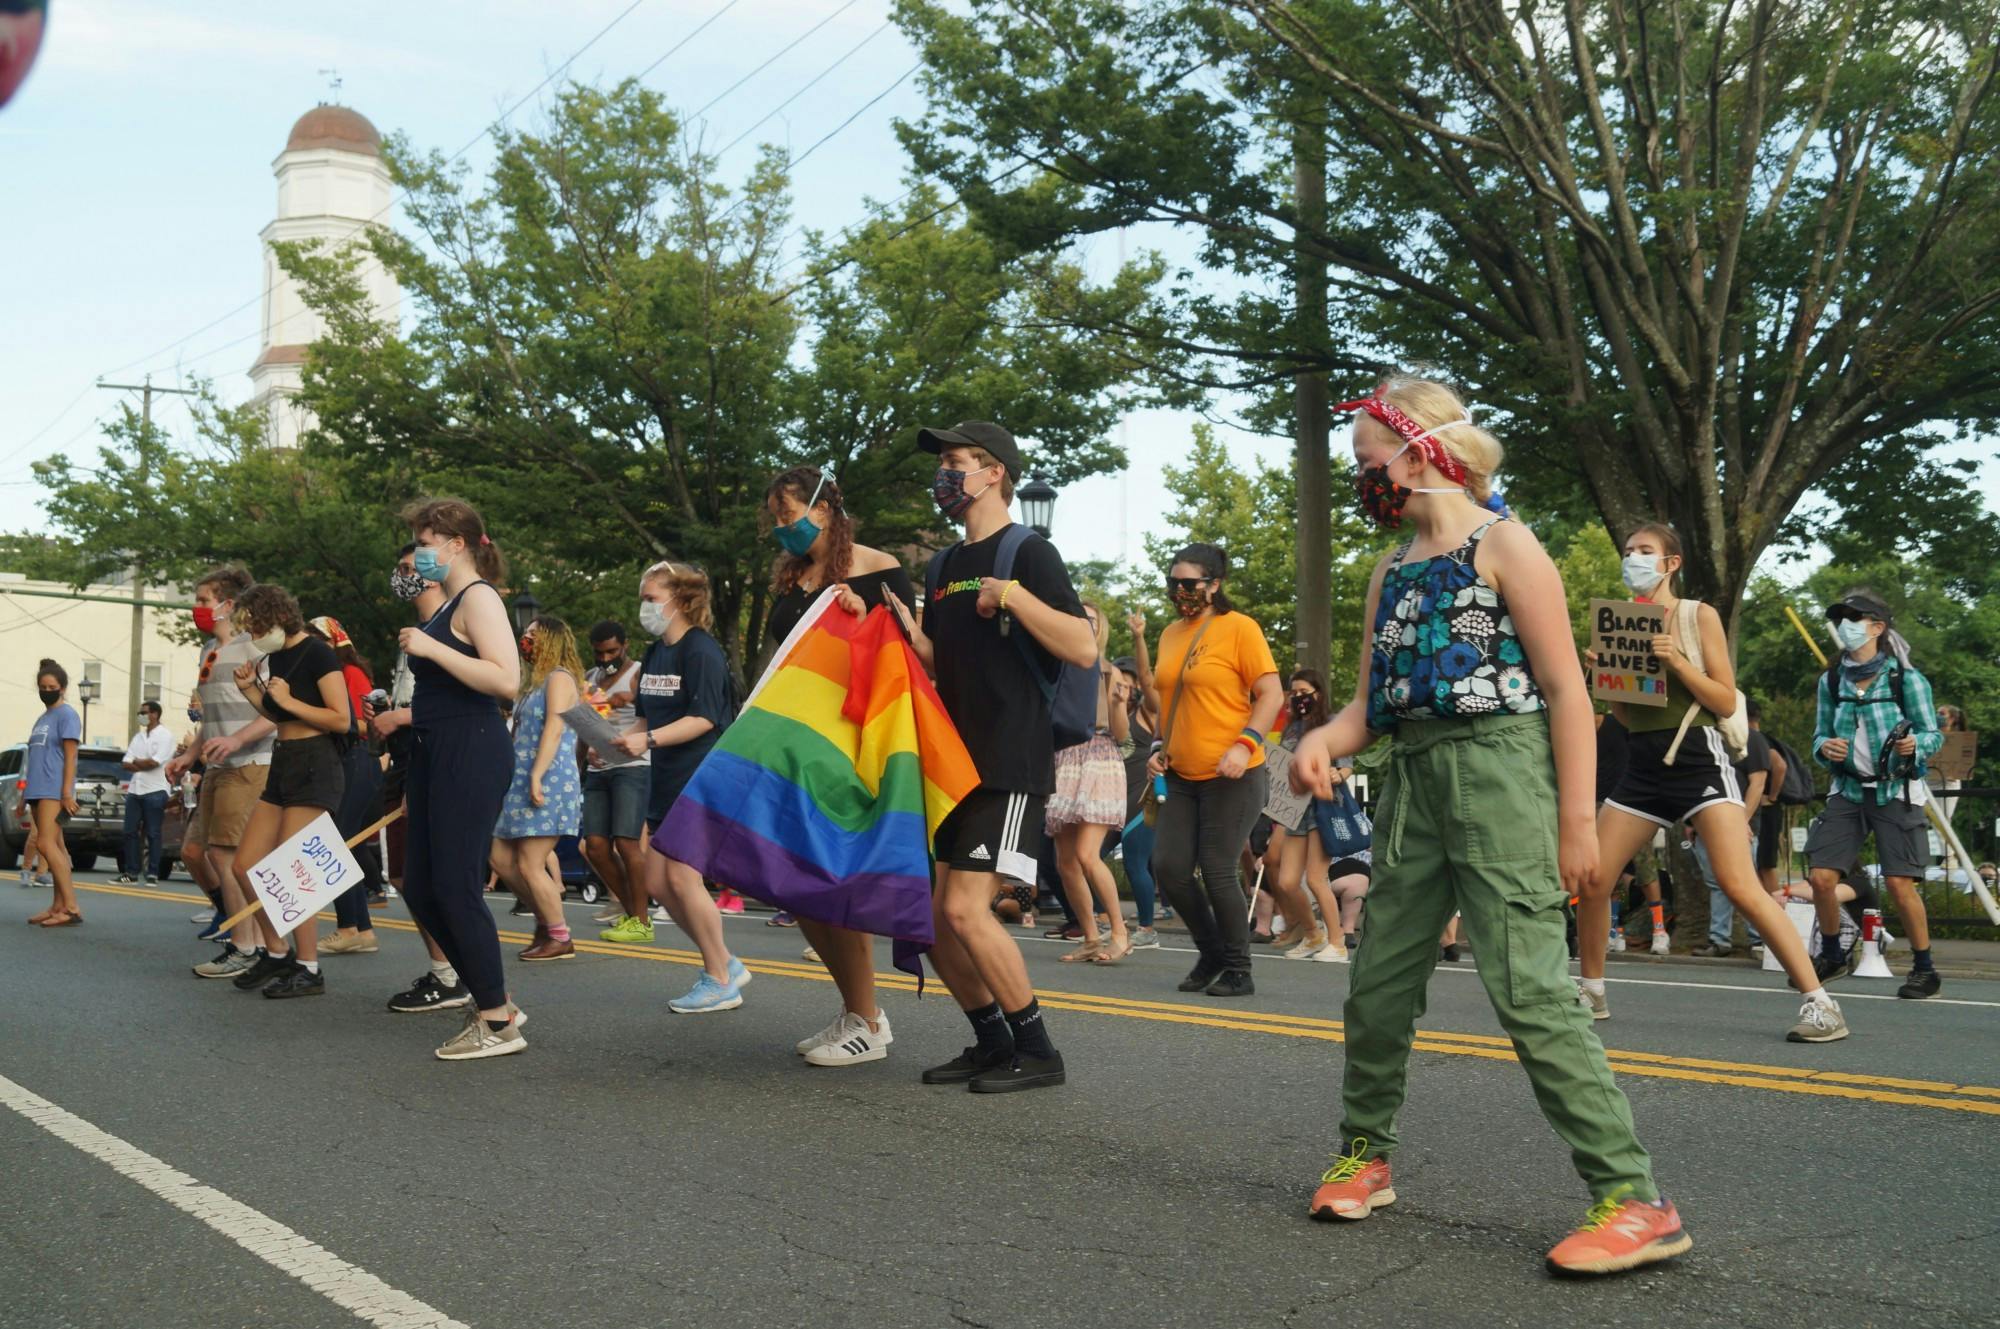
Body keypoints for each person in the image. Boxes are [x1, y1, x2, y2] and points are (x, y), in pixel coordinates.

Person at [1291, 376, 1687, 1275]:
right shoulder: (1389, 568)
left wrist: (1576, 822)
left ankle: (1634, 1197)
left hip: (1505, 772)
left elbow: (1565, 691)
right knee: (1379, 982)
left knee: (1532, 992)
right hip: (1413, 781)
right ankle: (1365, 1152)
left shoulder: (1505, 543)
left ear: (1424, 451)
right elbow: (1368, 705)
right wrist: (1325, 739)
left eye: (1367, 462)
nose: (1365, 481)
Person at [888, 419, 1097, 1092]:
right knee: (934, 918)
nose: (943, 477)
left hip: (1009, 760)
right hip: (952, 760)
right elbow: (942, 666)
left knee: (963, 909)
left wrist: (1010, 595)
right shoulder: (944, 564)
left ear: (994, 471)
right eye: (943, 465)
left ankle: (1039, 1050)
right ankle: (990, 1038)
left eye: (955, 463)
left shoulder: (1027, 552)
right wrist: (898, 635)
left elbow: (1083, 645)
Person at [1579, 524, 1842, 1040]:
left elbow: (1724, 700)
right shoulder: (1619, 622)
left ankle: (1820, 1002)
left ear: (1671, 563)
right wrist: (1606, 676)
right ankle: (1590, 991)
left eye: (1645, 551)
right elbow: (1629, 720)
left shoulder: (1697, 615)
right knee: (1593, 878)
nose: (1633, 558)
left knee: (1741, 885)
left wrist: (1675, 661)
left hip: (1698, 755)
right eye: (1629, 551)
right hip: (1642, 763)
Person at [759, 463, 917, 1063]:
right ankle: (855, 1010)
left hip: (847, 742)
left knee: (829, 877)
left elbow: (912, 660)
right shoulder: (795, 575)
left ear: (824, 508)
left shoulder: (878, 569)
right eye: (776, 517)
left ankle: (869, 1021)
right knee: (797, 881)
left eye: (789, 513)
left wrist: (863, 620)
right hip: (793, 741)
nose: (783, 526)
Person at [398, 498, 527, 1059]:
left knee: (454, 885)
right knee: (422, 886)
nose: (418, 554)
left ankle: (497, 1022)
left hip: (469, 747)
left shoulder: (480, 599)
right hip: (434, 750)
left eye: (425, 543)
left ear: (455, 545)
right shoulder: (449, 602)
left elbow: (507, 681)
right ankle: (494, 996)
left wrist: (429, 648)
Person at [1144, 542, 1283, 998]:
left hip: (1234, 774)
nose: (1179, 591)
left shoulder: (1239, 628)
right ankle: (1210, 953)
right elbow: (1171, 701)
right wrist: (1160, 745)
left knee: (1218, 867)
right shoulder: (1168, 634)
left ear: (1214, 584)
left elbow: (1271, 695)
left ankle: (1239, 968)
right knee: (1168, 866)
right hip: (1182, 774)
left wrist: (1246, 746)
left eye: (1189, 583)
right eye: (1173, 583)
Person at [613, 561, 750, 1014]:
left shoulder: (701, 651)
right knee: (657, 880)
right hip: (665, 778)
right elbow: (647, 715)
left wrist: (646, 740)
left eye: (651, 599)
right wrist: (617, 743)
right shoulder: (655, 654)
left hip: (701, 777)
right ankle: (725, 962)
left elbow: (705, 718)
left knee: (682, 878)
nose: (644, 607)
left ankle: (718, 976)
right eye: (644, 598)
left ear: (681, 600)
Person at [1805, 589, 1945, 1001]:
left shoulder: (1907, 679)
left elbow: (1933, 733)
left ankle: (1924, 968)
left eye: (1855, 617)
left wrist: (1915, 744)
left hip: (1895, 790)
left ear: (1878, 628)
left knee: (1901, 884)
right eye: (1842, 617)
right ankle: (1832, 953)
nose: (1846, 624)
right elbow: (1819, 735)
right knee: (1820, 877)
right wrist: (1824, 748)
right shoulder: (1831, 680)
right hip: (1847, 789)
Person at [222, 584, 352, 998]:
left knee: (293, 868)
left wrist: (288, 701)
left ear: (276, 616)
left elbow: (341, 718)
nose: (252, 632)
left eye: (255, 623)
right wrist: (252, 693)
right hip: (284, 759)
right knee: (245, 864)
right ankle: (277, 951)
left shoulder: (318, 653)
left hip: (316, 762)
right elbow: (279, 713)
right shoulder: (274, 658)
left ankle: (309, 966)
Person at [366, 545, 472, 1013]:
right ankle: (446, 972)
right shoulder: (414, 635)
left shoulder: (453, 624)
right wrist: (391, 712)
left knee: (439, 878)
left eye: (409, 569)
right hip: (409, 759)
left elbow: (470, 696)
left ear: (432, 575)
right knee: (406, 875)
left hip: (440, 760)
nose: (401, 577)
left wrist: (403, 717)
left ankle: (464, 980)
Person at [172, 565, 280, 980]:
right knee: (200, 851)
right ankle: (247, 941)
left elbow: (275, 711)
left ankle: (248, 946)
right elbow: (212, 719)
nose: (197, 608)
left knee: (230, 856)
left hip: (251, 764)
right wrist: (191, 755)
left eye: (203, 600)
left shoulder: (254, 648)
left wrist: (237, 741)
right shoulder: (207, 651)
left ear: (228, 605)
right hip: (217, 767)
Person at [493, 615, 584, 962]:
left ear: (550, 640)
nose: (525, 638)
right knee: (500, 858)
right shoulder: (531, 685)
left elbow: (555, 730)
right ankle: (547, 921)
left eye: (533, 634)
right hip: (520, 777)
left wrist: (536, 775)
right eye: (525, 632)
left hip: (548, 778)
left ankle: (559, 937)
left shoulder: (559, 678)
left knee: (531, 863)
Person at [1046, 603, 1133, 965]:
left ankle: (1120, 933)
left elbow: (1123, 733)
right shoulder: (1055, 663)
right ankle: (1090, 937)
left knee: (1086, 854)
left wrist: (1118, 704)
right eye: (1078, 617)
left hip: (1099, 756)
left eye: (1091, 620)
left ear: (1101, 628)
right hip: (1063, 757)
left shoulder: (1110, 671)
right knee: (1065, 861)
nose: (1084, 624)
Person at [309, 615, 384, 956]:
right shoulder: (328, 676)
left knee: (334, 842)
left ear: (336, 642)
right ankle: (361, 930)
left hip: (357, 759)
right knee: (347, 844)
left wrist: (330, 718)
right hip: (343, 761)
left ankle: (348, 927)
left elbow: (370, 725)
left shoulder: (350, 674)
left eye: (318, 639)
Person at [580, 620, 654, 939]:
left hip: (634, 765)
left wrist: (633, 697)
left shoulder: (639, 673)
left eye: (612, 650)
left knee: (626, 842)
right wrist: (584, 755)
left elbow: (655, 717)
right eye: (600, 652)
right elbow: (586, 723)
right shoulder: (590, 678)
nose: (606, 657)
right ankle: (632, 913)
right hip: (599, 769)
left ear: (624, 646)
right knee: (596, 847)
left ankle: (641, 920)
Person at [1690, 698, 1773, 958]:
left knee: (1746, 882)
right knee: (1716, 882)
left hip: (1740, 824)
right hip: (1707, 821)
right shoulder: (1709, 736)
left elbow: (1758, 784)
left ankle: (1759, 939)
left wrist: (1742, 821)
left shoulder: (1753, 738)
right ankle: (1719, 939)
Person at [1269, 668, 1339, 960]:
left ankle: (1337, 943)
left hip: (1322, 808)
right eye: (1294, 693)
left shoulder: (1332, 724)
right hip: (1294, 810)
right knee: (1286, 882)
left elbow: (1346, 764)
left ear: (1318, 693)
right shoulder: (1291, 729)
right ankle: (1312, 934)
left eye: (1304, 693)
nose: (1298, 698)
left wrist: (1337, 774)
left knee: (1315, 879)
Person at [23, 660, 82, 927]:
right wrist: (24, 798)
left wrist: (67, 793)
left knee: (46, 844)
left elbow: (71, 757)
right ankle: (57, 905)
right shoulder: (42, 718)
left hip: (53, 789)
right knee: (55, 846)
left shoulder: (67, 715)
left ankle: (70, 907)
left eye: (52, 687)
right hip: (37, 788)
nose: (47, 691)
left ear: (63, 688)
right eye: (43, 687)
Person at [1111, 653, 1162, 949]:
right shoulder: (1115, 711)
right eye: (1118, 685)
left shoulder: (1150, 712)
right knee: (1085, 857)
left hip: (1145, 799)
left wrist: (1139, 637)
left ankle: (1147, 928)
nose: (1123, 690)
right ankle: (1107, 921)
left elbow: (1146, 675)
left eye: (1128, 685)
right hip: (1115, 799)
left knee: (1134, 862)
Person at [115, 700, 175, 885]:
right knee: (129, 831)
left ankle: (153, 873)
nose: (141, 715)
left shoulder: (165, 736)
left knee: (153, 832)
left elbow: (154, 763)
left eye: (144, 712)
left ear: (155, 714)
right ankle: (131, 872)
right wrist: (143, 763)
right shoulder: (138, 737)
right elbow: (126, 762)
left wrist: (138, 762)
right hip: (135, 789)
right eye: (140, 712)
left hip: (156, 789)